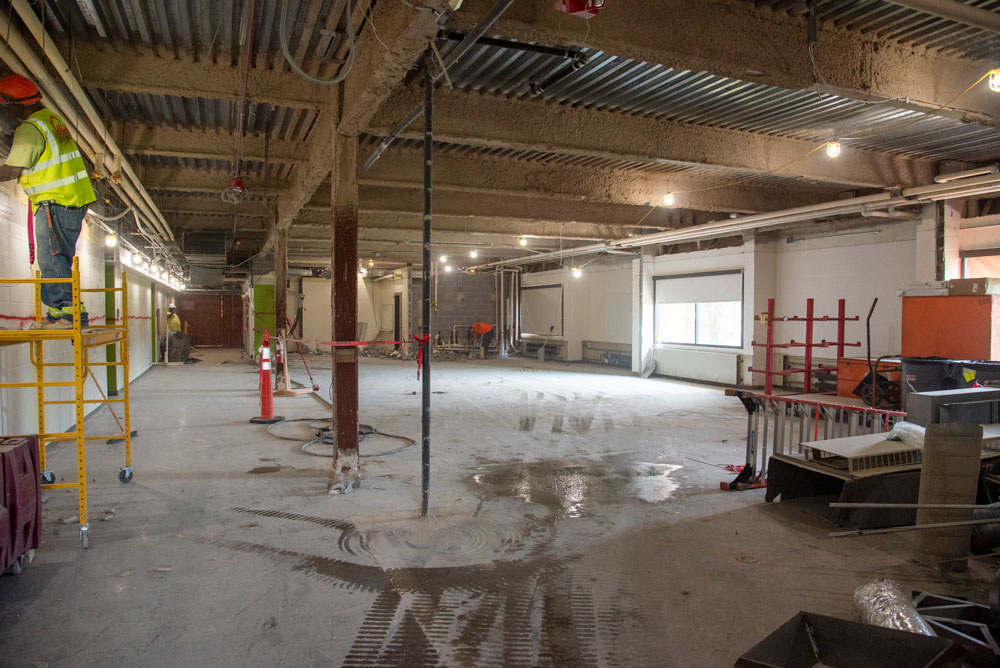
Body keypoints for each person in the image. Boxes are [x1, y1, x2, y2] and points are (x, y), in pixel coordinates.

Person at [0, 74, 97, 329]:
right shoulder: (52, 121)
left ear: (17, 104)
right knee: (57, 258)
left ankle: (71, 315)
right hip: (71, 201)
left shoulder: (30, 129)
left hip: (56, 203)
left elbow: (12, 171)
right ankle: (57, 312)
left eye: (7, 106)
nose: (7, 112)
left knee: (52, 259)